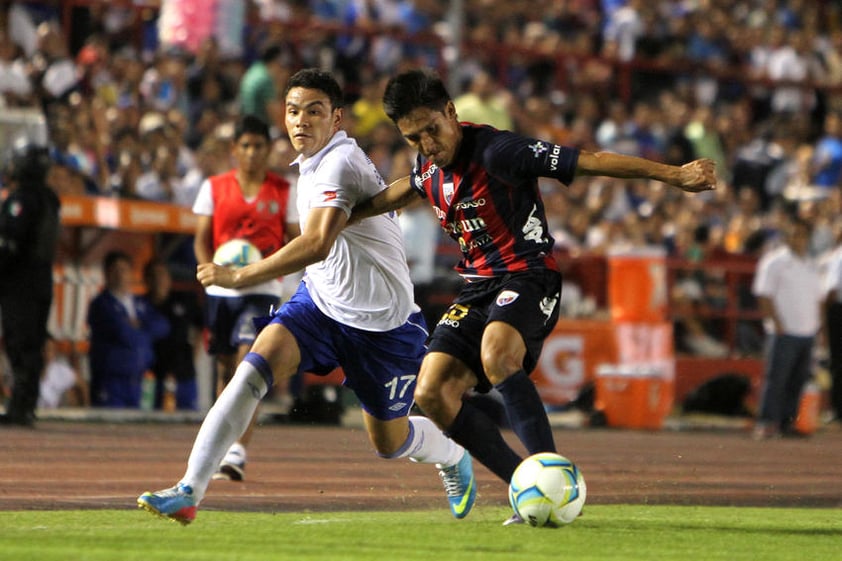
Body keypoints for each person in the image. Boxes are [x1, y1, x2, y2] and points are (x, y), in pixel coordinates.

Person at [350, 68, 716, 524]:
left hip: (528, 276)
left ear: (451, 112)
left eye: (431, 130)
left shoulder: (501, 151)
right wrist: (337, 220)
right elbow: (398, 193)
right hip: (477, 287)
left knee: (497, 355)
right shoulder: (427, 168)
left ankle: (555, 480)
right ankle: (529, 488)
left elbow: (592, 160)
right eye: (413, 138)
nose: (427, 144)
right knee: (431, 391)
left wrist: (674, 174)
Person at [137, 68, 475, 525]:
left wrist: (239, 276)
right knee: (251, 371)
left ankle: (452, 455)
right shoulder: (309, 163)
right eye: (293, 111)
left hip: (383, 325)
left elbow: (317, 243)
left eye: (314, 112)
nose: (301, 121)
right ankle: (189, 490)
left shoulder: (339, 161)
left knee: (389, 444)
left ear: (337, 118)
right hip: (319, 303)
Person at [192, 114, 300, 481]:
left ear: (269, 150)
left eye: (259, 146)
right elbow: (201, 237)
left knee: (248, 363)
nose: (253, 153)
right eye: (246, 146)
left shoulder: (284, 191)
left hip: (262, 288)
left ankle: (238, 449)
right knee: (226, 369)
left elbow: (296, 239)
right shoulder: (214, 187)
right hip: (222, 289)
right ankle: (221, 445)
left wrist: (287, 277)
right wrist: (206, 270)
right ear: (235, 150)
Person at [0, 142, 60, 426]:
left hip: (20, 281)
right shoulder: (50, 198)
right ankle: (26, 405)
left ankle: (20, 407)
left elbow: (11, 243)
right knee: (32, 343)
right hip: (41, 279)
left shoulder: (23, 198)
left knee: (21, 343)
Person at [751, 217, 824, 440]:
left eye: (802, 234)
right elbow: (764, 294)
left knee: (797, 380)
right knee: (776, 379)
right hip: (783, 331)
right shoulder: (774, 262)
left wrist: (817, 326)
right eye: (794, 234)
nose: (798, 239)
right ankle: (766, 422)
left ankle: (786, 422)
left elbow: (817, 299)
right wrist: (776, 322)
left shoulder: (811, 265)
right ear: (787, 236)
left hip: (806, 331)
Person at [87, 250, 170, 408]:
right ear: (106, 274)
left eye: (124, 270)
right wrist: (142, 330)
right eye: (115, 270)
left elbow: (162, 326)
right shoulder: (101, 304)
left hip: (138, 380)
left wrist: (140, 325)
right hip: (111, 381)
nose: (120, 275)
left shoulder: (140, 303)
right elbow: (121, 332)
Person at [143, 259, 204, 411]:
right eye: (153, 276)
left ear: (169, 278)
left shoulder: (183, 301)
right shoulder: (141, 305)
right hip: (153, 376)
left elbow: (200, 325)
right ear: (146, 280)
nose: (158, 280)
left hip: (183, 373)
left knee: (188, 417)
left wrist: (195, 351)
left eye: (162, 275)